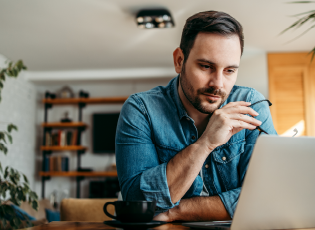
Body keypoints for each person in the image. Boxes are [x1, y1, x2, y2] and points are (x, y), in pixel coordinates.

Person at [115, 10, 276, 222]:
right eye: (206, 66)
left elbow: (270, 196)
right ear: (179, 60)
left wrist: (176, 211)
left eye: (229, 70)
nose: (218, 84)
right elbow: (138, 203)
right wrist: (205, 143)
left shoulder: (251, 105)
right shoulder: (141, 109)